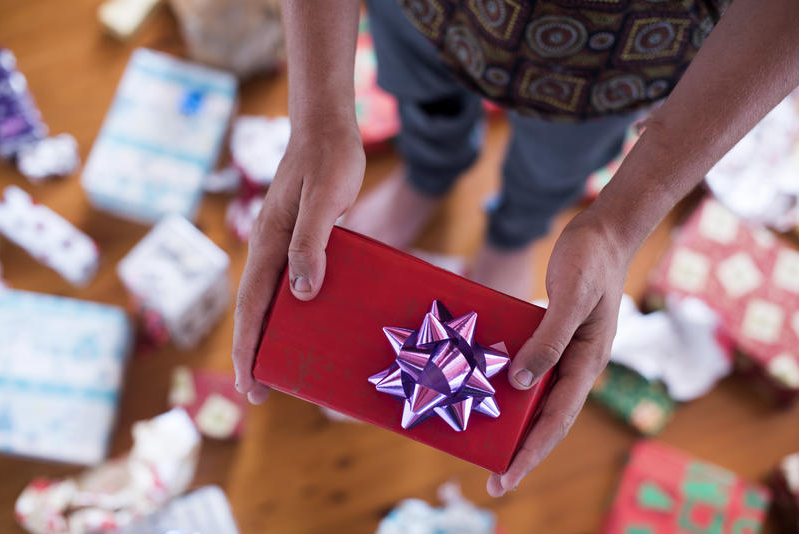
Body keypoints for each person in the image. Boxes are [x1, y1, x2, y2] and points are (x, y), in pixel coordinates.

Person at [232, 0, 799, 498]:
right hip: (425, 12)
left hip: (614, 59)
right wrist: (320, 117)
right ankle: (428, 174)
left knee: (555, 167)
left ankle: (517, 228)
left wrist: (618, 224)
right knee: (422, 103)